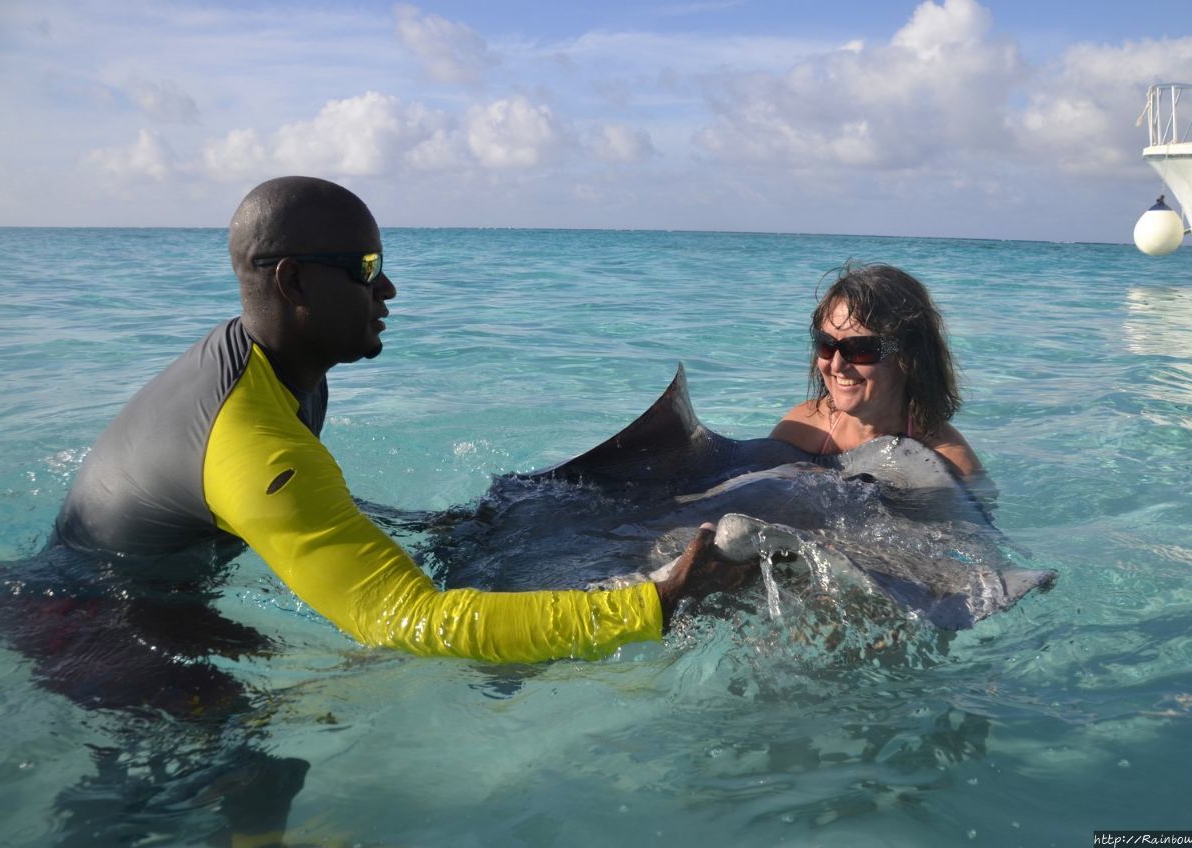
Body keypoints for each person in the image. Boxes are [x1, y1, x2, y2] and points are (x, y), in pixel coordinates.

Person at [50, 175, 746, 665]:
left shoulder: (276, 370)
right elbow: (411, 622)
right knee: (250, 784)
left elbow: (297, 505)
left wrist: (427, 525)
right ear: (293, 282)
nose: (387, 288)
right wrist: (657, 602)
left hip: (138, 596)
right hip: (94, 631)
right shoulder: (254, 445)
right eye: (365, 266)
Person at [770, 263, 982, 478]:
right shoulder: (803, 429)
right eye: (826, 345)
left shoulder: (951, 465)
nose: (836, 365)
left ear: (908, 356)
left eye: (860, 349)